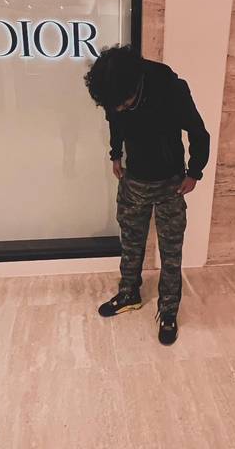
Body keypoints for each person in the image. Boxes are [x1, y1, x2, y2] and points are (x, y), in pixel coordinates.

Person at [84, 45, 210, 345]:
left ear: (135, 87)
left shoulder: (171, 88)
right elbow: (115, 120)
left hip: (170, 184)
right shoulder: (114, 93)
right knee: (130, 243)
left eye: (123, 103)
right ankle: (129, 293)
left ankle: (168, 310)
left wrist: (194, 172)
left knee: (171, 252)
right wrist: (115, 154)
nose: (119, 109)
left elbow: (198, 132)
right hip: (133, 181)